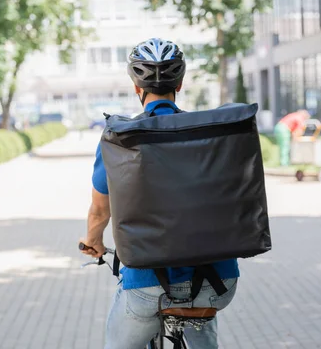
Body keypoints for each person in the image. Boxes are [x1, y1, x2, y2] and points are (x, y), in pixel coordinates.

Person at [80, 38, 239, 349]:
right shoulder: (209, 134)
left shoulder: (120, 139)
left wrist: (94, 241)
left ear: (137, 89)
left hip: (148, 284)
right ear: (179, 84)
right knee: (201, 321)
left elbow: (101, 210)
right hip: (218, 281)